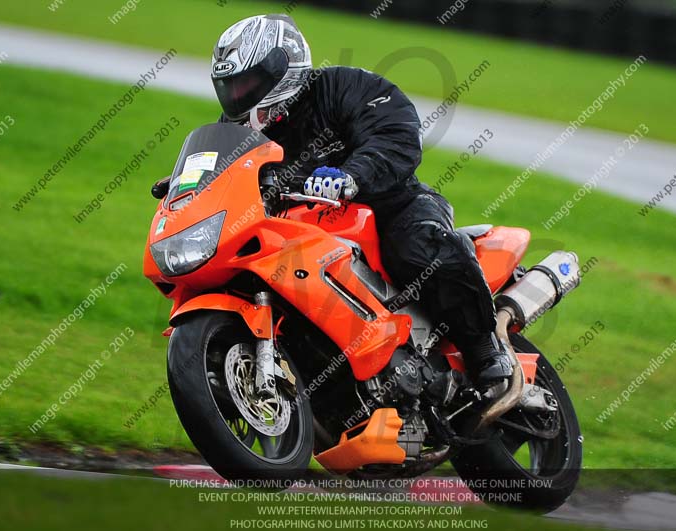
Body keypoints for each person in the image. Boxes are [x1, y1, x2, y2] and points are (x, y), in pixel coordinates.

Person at [210, 14, 512, 389]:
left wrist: (353, 175)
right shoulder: (233, 130)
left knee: (416, 250)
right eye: (231, 87)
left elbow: (395, 132)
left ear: (283, 71)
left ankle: (483, 347)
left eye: (248, 84)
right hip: (302, 231)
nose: (238, 96)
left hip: (390, 205)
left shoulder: (343, 86)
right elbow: (224, 174)